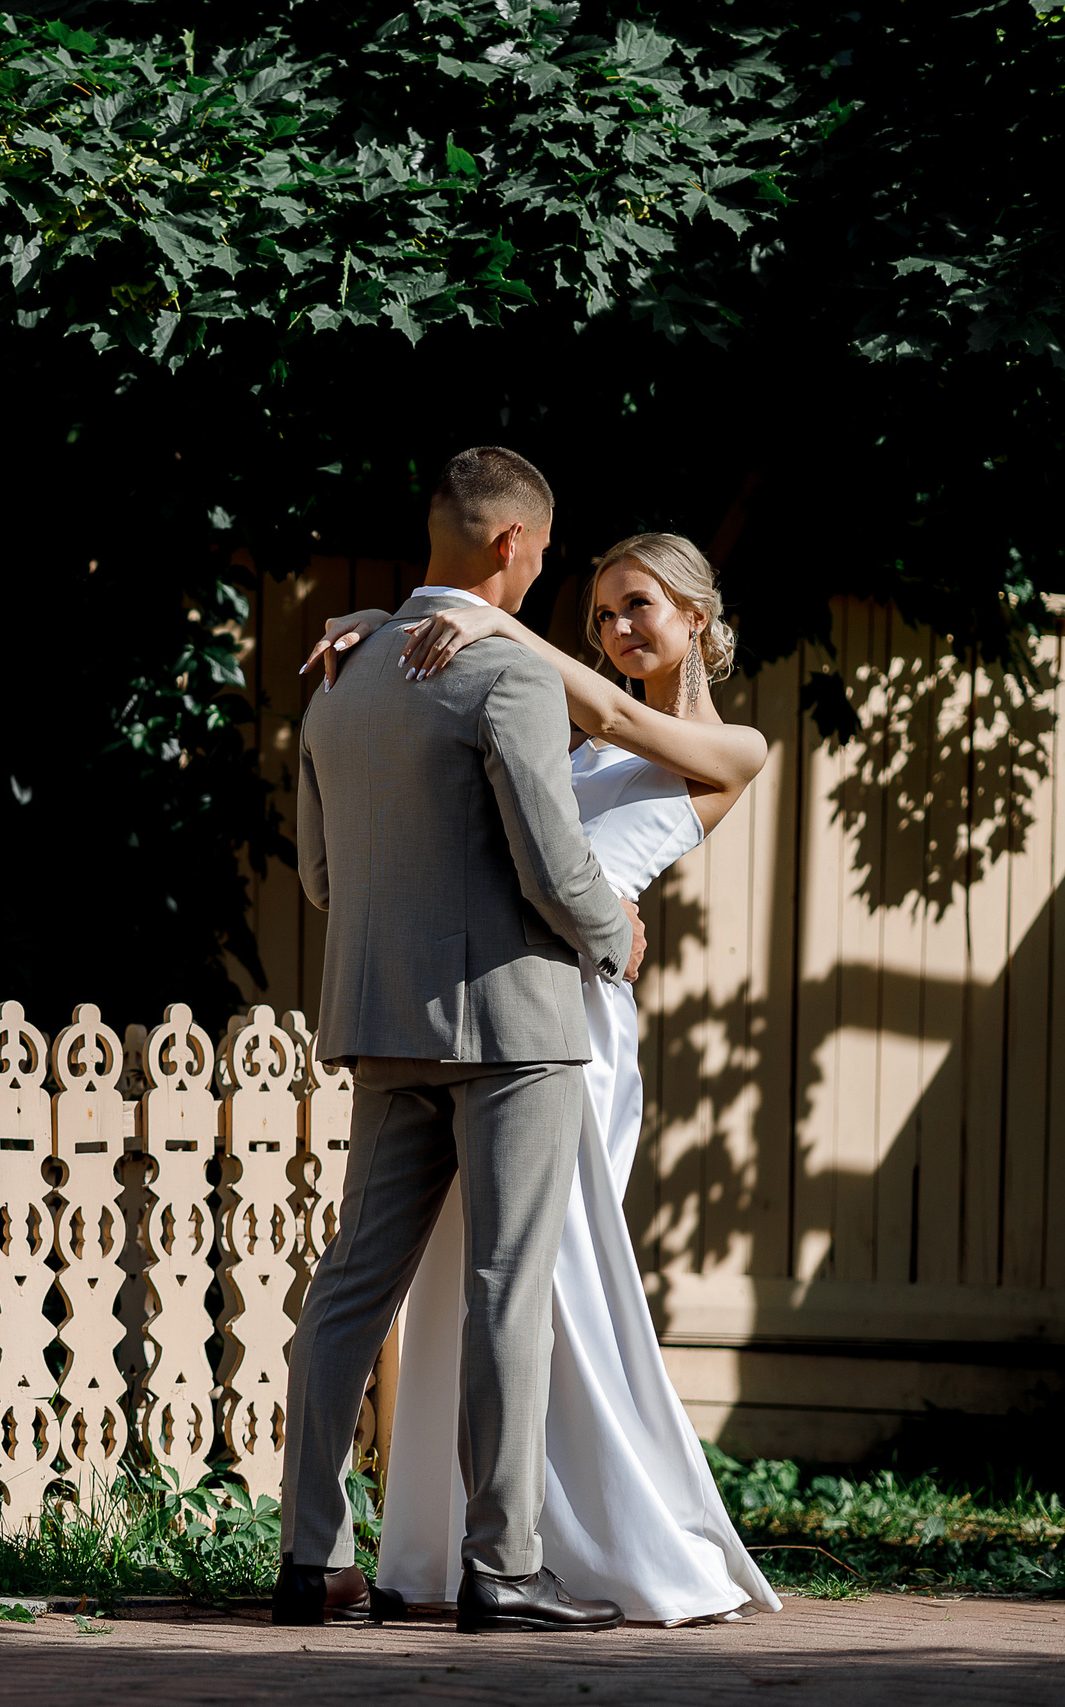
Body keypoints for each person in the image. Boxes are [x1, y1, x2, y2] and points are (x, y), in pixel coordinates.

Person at [303, 530, 781, 1626]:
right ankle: (460, 1544)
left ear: (696, 619)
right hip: (513, 996)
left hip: (579, 1019)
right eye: (605, 613)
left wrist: (498, 624)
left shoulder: (733, 746)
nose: (618, 630)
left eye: (640, 607)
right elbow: (485, 767)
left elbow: (616, 724)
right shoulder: (558, 703)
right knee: (474, 1274)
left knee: (550, 1278)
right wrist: (379, 639)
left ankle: (580, 1537)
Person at [278, 446, 642, 1635]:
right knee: (504, 1289)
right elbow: (550, 863)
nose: (542, 571)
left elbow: (322, 880)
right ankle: (502, 1568)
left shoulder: (335, 669)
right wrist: (612, 936)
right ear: (508, 543)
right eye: (542, 550)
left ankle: (308, 1561)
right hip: (513, 1026)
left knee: (346, 1294)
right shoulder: (505, 674)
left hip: (380, 1021)